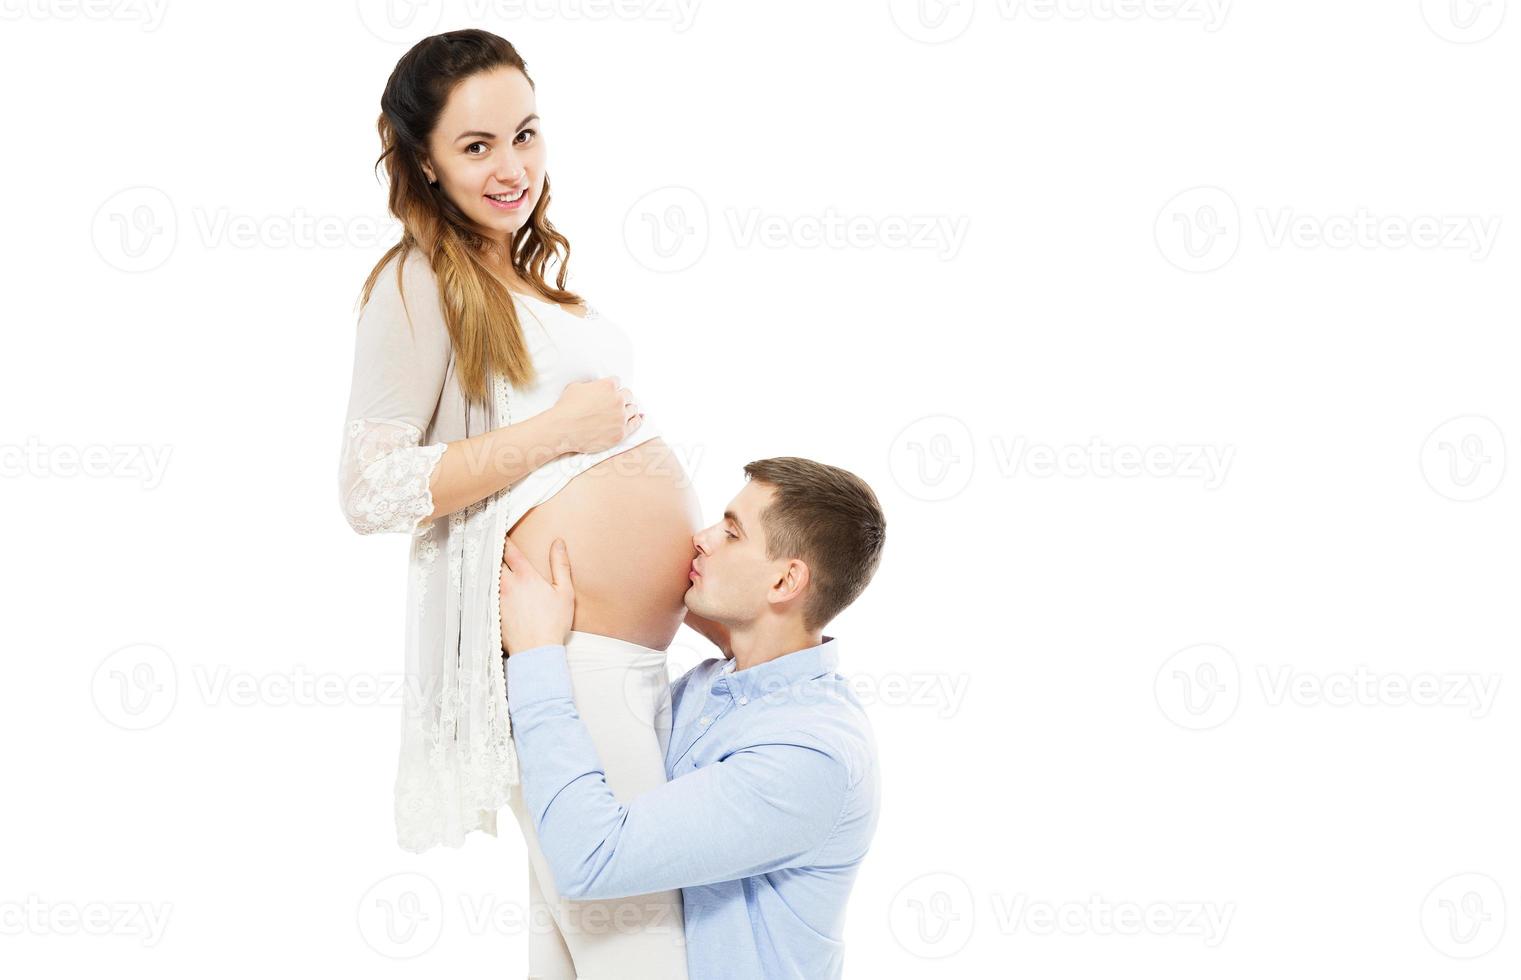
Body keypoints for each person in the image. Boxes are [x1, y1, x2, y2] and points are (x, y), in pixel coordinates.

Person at [338, 28, 711, 977]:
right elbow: (369, 487)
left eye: (526, 134)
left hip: (614, 663)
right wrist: (561, 432)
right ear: (422, 159)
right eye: (476, 147)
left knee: (579, 949)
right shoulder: (419, 280)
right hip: (562, 663)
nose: (512, 168)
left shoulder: (522, 277)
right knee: (642, 956)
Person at [498, 458, 887, 980]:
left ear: (786, 579)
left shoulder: (808, 757)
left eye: (731, 532)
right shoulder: (717, 687)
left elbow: (590, 857)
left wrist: (535, 652)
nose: (702, 538)